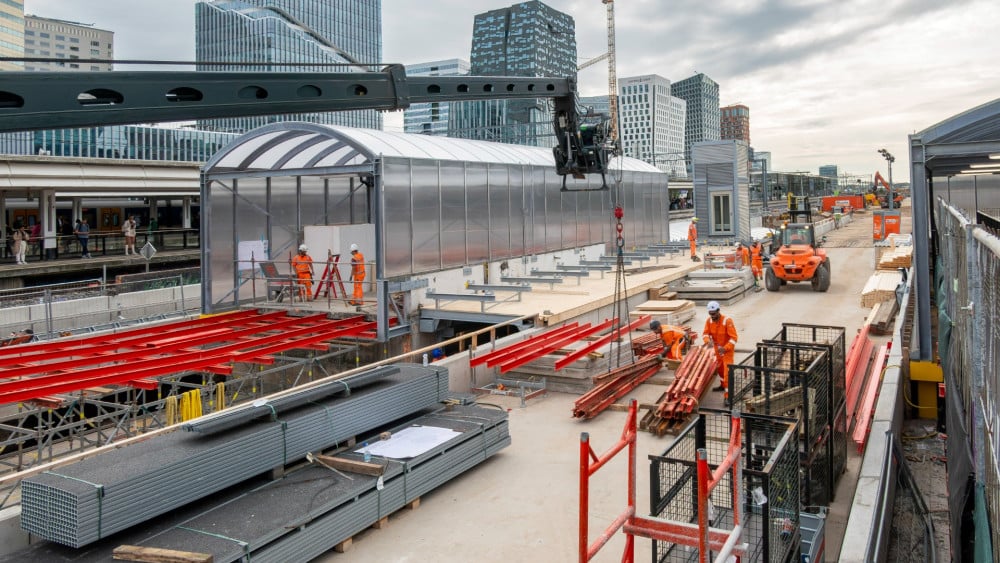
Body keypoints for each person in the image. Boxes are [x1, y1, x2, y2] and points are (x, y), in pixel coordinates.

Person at [702, 301, 738, 404]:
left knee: (727, 373)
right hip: (717, 351)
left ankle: (728, 396)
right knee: (720, 370)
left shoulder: (727, 321)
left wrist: (726, 348)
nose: (712, 316)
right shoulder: (709, 321)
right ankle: (723, 386)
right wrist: (707, 341)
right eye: (710, 313)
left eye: (714, 313)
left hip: (727, 352)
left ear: (718, 311)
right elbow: (705, 334)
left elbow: (734, 338)